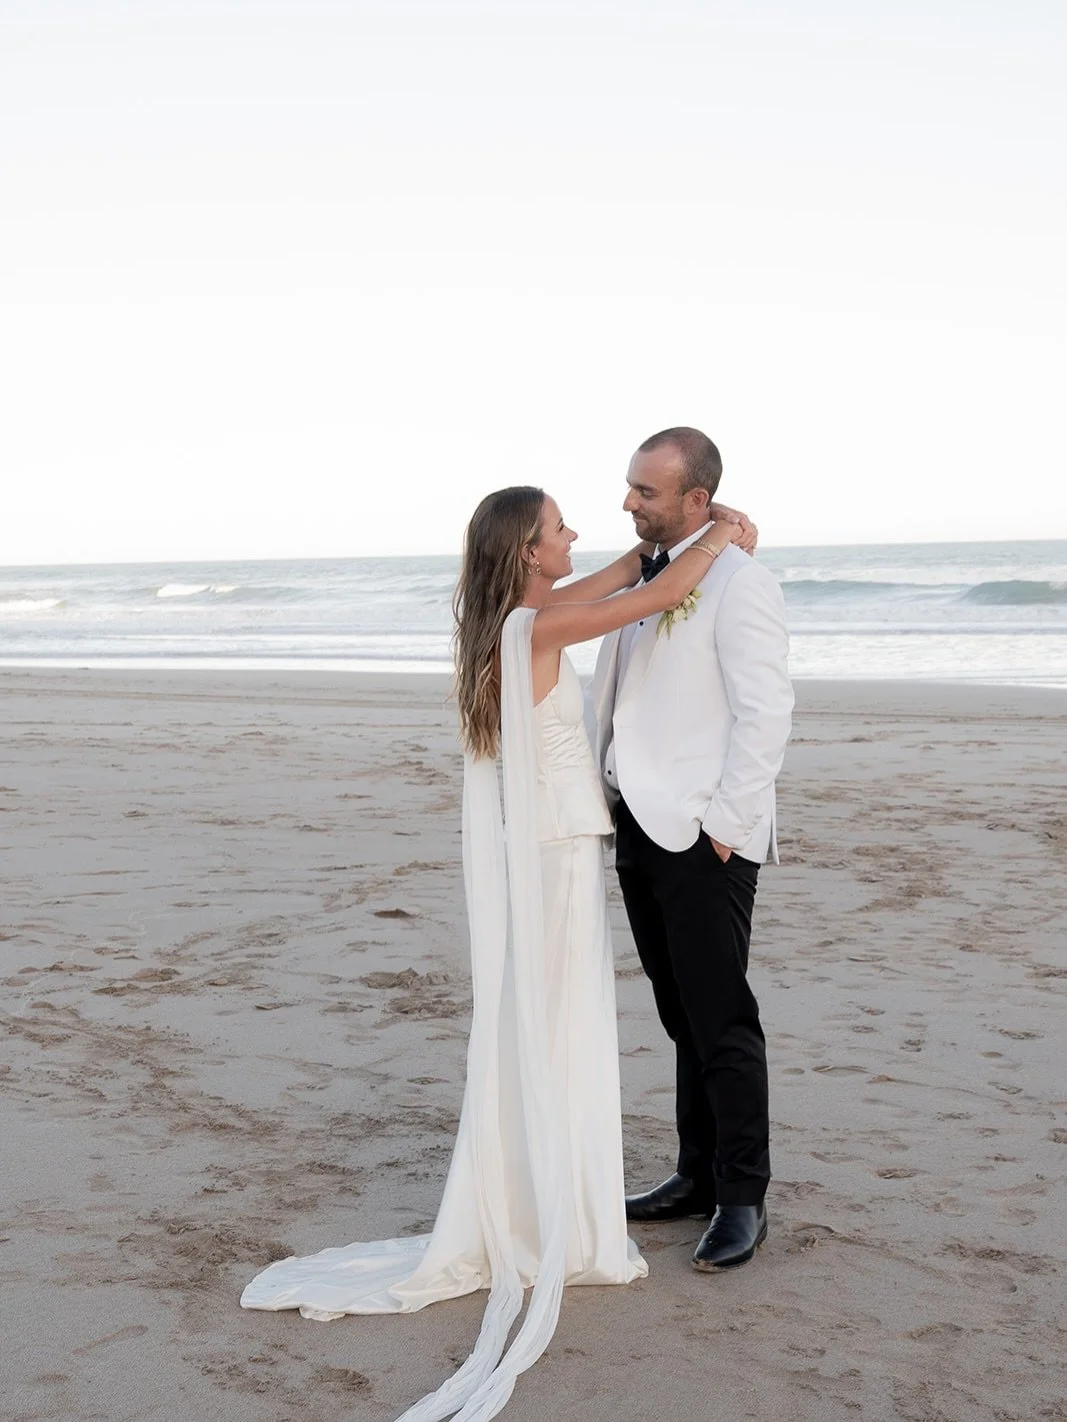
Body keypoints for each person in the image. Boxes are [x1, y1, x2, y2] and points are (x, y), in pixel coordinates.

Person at [241, 484, 748, 1422]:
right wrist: (716, 538)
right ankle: (554, 1209)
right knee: (559, 1022)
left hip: (545, 849)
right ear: (526, 551)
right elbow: (638, 602)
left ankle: (536, 1189)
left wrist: (662, 554)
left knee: (544, 1020)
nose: (576, 535)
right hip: (555, 857)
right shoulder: (539, 631)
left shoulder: (515, 619)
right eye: (558, 529)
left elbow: (614, 580)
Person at [591, 427, 793, 1272]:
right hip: (636, 822)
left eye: (645, 491)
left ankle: (741, 1196)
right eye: (631, 487)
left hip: (702, 834)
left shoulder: (740, 584)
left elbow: (765, 711)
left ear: (695, 500)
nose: (628, 502)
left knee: (721, 1019)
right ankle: (694, 1175)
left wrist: (725, 828)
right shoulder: (649, 574)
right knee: (679, 1016)